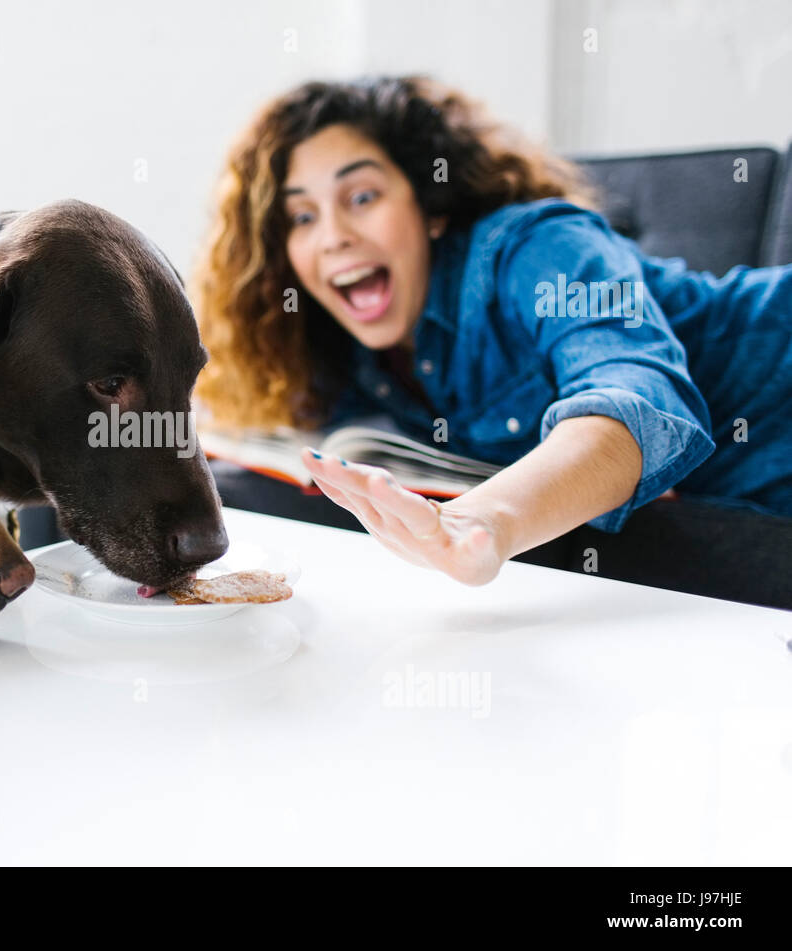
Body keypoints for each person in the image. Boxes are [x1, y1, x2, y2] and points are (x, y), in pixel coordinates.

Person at [191, 76, 792, 586]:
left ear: (429, 208)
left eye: (363, 195)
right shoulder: (361, 355)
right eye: (302, 216)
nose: (333, 236)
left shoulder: (537, 245)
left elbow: (636, 397)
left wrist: (484, 522)